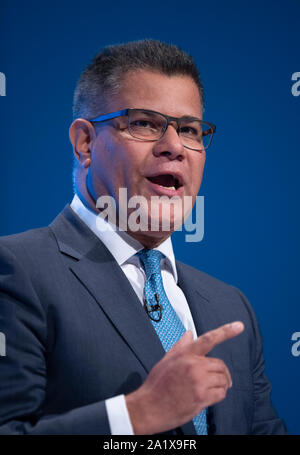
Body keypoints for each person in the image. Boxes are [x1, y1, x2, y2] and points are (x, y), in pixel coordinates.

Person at [0, 39, 288, 435]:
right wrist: (134, 416)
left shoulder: (231, 308)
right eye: (145, 123)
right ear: (85, 142)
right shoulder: (17, 272)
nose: (174, 147)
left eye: (189, 129)